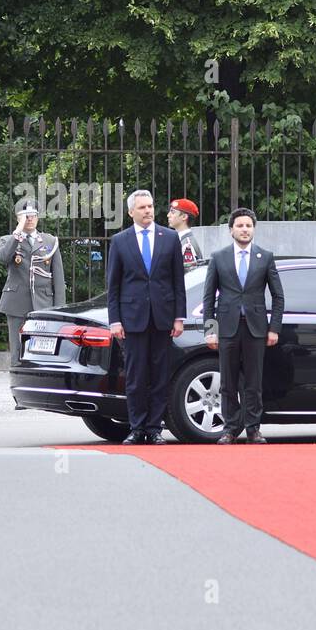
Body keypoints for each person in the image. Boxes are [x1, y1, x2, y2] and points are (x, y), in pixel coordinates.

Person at [106, 189, 187, 444]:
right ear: (131, 212)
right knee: (136, 376)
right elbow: (114, 285)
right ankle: (137, 427)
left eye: (150, 206)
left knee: (159, 375)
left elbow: (177, 281)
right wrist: (115, 320)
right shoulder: (120, 241)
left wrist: (179, 317)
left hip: (162, 318)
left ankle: (154, 428)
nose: (148, 211)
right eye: (142, 208)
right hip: (132, 319)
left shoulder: (170, 237)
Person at [202, 208, 284, 444]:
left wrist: (274, 328)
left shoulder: (265, 257)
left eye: (248, 225)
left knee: (253, 382)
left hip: (256, 328)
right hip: (227, 328)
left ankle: (253, 428)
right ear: (231, 230)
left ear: (254, 229)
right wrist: (210, 331)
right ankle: (229, 428)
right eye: (240, 226)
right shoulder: (219, 257)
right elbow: (208, 297)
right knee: (227, 382)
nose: (245, 229)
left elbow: (278, 296)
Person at [0, 200, 66, 369]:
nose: (30, 219)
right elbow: (3, 258)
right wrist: (17, 232)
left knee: (44, 349)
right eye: (26, 216)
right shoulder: (9, 240)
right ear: (18, 218)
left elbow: (58, 277)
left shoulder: (49, 241)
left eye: (33, 215)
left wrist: (59, 309)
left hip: (44, 302)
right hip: (16, 303)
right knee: (18, 351)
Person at [168, 198, 204, 265]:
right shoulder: (181, 240)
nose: (168, 215)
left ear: (184, 217)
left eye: (173, 212)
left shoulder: (187, 245)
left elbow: (189, 273)